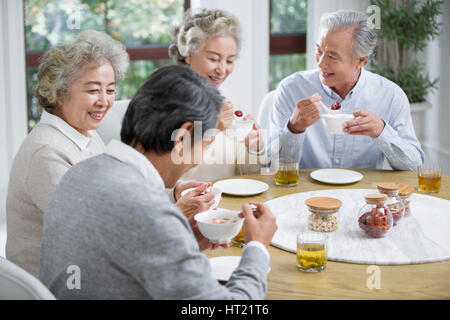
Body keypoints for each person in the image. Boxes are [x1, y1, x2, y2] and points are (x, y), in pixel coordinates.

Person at [39, 65, 277, 299]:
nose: (201, 158)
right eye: (207, 142)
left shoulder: (79, 173)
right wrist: (256, 247)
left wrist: (181, 242)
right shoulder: (149, 212)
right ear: (182, 138)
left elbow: (111, 258)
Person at [5, 30, 129, 277]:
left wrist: (172, 196)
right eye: (93, 90)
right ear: (60, 93)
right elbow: (94, 232)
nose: (104, 101)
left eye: (110, 90)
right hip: (56, 284)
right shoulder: (46, 151)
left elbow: (115, 196)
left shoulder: (86, 134)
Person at [269, 10, 424, 171]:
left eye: (332, 56)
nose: (321, 64)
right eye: (319, 51)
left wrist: (382, 132)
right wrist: (294, 128)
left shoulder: (390, 96)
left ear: (361, 60)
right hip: (306, 193)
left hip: (364, 194)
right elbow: (274, 166)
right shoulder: (291, 89)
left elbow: (414, 168)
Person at [169, 8, 266, 182]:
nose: (222, 70)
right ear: (189, 54)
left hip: (228, 201)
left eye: (229, 61)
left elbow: (246, 175)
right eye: (213, 59)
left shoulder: (226, 99)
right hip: (190, 205)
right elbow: (169, 176)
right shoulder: (167, 102)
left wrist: (253, 148)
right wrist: (213, 128)